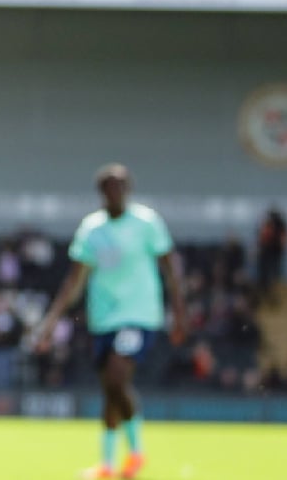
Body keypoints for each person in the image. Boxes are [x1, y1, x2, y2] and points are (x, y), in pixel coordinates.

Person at [34, 164, 188, 480]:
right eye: (109, 187)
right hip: (104, 318)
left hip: (139, 315)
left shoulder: (146, 223)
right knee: (110, 389)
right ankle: (106, 464)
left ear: (128, 189)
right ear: (101, 192)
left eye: (120, 186)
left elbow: (170, 268)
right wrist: (51, 321)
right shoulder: (92, 229)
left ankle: (135, 453)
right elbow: (74, 279)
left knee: (117, 377)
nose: (115, 192)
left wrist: (179, 312)